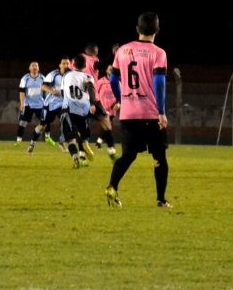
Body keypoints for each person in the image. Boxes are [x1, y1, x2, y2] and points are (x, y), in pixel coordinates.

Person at [104, 12, 171, 208]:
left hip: (128, 114)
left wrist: (121, 99)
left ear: (137, 29)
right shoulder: (159, 53)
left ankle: (112, 186)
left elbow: (114, 79)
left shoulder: (122, 50)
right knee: (160, 157)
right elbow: (159, 83)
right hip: (150, 114)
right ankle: (161, 199)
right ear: (157, 30)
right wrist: (161, 112)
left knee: (128, 156)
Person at [72, 42, 118, 160]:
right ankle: (111, 150)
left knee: (81, 129)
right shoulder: (92, 60)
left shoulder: (76, 60)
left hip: (78, 99)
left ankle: (82, 155)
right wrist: (113, 54)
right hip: (92, 97)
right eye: (96, 50)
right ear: (93, 51)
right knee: (106, 122)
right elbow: (101, 64)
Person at [60, 53, 97, 168]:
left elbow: (62, 93)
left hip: (69, 109)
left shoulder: (66, 76)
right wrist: (92, 104)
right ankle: (85, 142)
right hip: (84, 110)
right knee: (84, 133)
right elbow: (91, 88)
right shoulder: (88, 77)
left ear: (73, 64)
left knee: (70, 139)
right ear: (85, 66)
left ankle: (76, 159)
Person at [28, 56, 70, 154]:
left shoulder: (71, 75)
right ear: (60, 65)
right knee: (42, 126)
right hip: (50, 104)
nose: (66, 65)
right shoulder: (54, 74)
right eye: (63, 63)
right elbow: (43, 86)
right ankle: (32, 143)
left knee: (66, 122)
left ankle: (62, 142)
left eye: (67, 63)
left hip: (63, 104)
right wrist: (51, 91)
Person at [15, 61, 45, 146]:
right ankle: (18, 141)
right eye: (32, 65)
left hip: (40, 105)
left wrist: (47, 102)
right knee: (22, 123)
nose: (34, 67)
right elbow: (21, 91)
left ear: (38, 68)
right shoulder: (25, 78)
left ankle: (44, 137)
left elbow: (47, 90)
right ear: (29, 68)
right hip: (28, 104)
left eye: (36, 65)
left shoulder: (43, 78)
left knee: (44, 123)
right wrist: (22, 104)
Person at [94, 64, 120, 150]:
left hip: (112, 109)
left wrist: (118, 103)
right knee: (107, 126)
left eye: (113, 69)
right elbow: (95, 93)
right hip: (102, 109)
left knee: (107, 127)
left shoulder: (117, 82)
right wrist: (98, 104)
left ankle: (98, 143)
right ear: (106, 70)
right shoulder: (101, 81)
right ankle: (108, 147)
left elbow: (120, 95)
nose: (111, 70)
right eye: (110, 69)